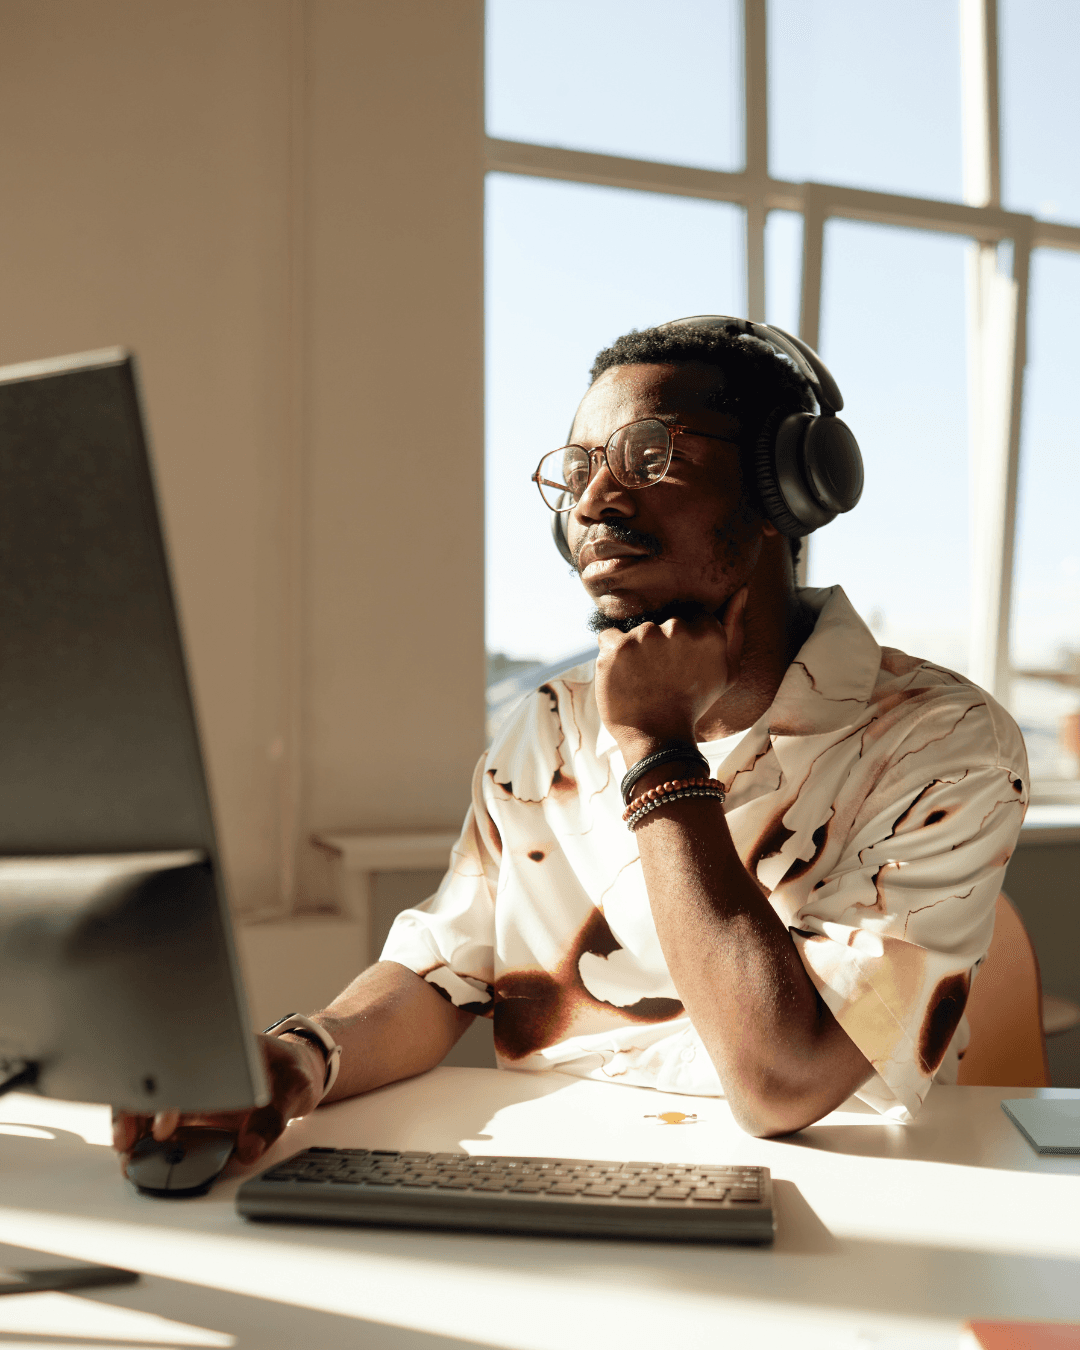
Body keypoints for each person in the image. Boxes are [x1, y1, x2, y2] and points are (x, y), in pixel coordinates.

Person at [114, 319, 1028, 1167]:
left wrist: (656, 748)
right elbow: (443, 972)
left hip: (841, 1202)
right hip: (555, 1174)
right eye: (578, 469)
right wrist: (301, 1057)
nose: (593, 499)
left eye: (647, 453)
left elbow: (782, 1081)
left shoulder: (945, 744)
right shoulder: (550, 723)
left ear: (780, 491)